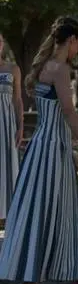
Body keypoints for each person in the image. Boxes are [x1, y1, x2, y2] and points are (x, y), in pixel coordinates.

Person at [0, 17, 78, 284]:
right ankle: (31, 278)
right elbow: (69, 112)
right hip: (52, 148)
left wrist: (72, 148)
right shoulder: (60, 69)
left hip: (42, 145)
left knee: (67, 206)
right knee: (44, 207)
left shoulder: (43, 66)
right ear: (71, 40)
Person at [0, 32, 24, 229]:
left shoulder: (13, 69)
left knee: (7, 165)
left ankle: (8, 213)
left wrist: (20, 125)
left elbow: (17, 99)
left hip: (7, 124)